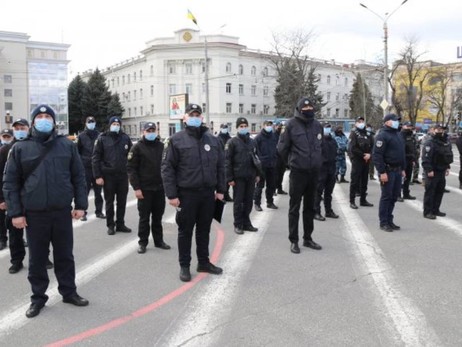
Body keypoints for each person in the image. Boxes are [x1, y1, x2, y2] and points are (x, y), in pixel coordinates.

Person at [3, 104, 89, 318]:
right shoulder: (20, 148)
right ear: (33, 122)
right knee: (37, 259)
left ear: (53, 121)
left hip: (61, 212)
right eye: (39, 116)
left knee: (65, 256)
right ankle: (38, 298)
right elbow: (10, 182)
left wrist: (80, 205)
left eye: (47, 116)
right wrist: (16, 213)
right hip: (34, 214)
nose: (44, 119)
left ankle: (69, 292)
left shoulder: (66, 146)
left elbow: (78, 176)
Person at [161, 103, 225, 282]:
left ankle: (203, 262)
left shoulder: (212, 140)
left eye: (198, 114)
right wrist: (171, 195)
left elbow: (221, 166)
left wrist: (221, 190)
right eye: (192, 114)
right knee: (185, 231)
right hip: (186, 195)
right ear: (185, 118)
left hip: (207, 194)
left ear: (202, 118)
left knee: (204, 230)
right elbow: (167, 168)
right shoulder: (176, 140)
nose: (195, 117)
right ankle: (184, 266)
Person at [278, 97, 323, 254]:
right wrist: (291, 164)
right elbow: (282, 148)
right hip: (298, 172)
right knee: (294, 207)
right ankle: (294, 240)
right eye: (305, 108)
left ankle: (308, 238)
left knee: (310, 207)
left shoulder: (317, 125)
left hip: (313, 172)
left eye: (310, 107)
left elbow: (320, 147)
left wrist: (318, 162)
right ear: (299, 109)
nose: (308, 110)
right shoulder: (290, 125)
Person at [127, 122, 170, 254]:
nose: (151, 132)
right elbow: (131, 169)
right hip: (144, 189)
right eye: (148, 130)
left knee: (158, 217)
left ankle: (158, 241)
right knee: (144, 218)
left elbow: (167, 166)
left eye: (153, 130)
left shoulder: (162, 146)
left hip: (159, 188)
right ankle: (143, 242)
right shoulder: (137, 148)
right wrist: (136, 188)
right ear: (143, 132)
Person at [92, 116, 133, 235]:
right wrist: (98, 176)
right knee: (109, 202)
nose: (116, 126)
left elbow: (131, 156)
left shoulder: (125, 138)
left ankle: (120, 223)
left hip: (122, 175)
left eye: (118, 124)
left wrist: (131, 174)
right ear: (110, 125)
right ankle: (110, 225)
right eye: (114, 124)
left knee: (122, 201)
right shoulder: (102, 138)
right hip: (108, 176)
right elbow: (95, 158)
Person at [225, 117, 260, 234]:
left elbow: (256, 159)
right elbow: (227, 161)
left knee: (249, 201)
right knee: (238, 202)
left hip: (250, 177)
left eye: (245, 126)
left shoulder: (252, 142)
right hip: (238, 178)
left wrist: (258, 174)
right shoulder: (232, 142)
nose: (244, 128)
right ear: (237, 128)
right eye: (241, 126)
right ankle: (238, 224)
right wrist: (229, 178)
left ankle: (246, 223)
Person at [372, 114, 406, 232]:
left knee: (394, 196)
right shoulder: (382, 135)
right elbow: (377, 155)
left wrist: (403, 169)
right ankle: (384, 222)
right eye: (394, 120)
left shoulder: (397, 134)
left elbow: (401, 153)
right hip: (388, 171)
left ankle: (389, 219)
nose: (397, 122)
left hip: (397, 170)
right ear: (387, 122)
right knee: (386, 197)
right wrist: (382, 172)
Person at [421, 123, 453, 219]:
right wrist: (429, 170)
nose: (440, 131)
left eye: (441, 129)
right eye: (438, 129)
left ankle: (436, 209)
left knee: (439, 191)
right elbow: (426, 158)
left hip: (441, 170)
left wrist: (447, 167)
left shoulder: (445, 142)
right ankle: (427, 212)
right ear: (433, 130)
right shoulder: (430, 143)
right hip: (433, 171)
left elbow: (446, 156)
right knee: (430, 192)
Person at [77, 116, 105, 221]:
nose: (91, 123)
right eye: (89, 122)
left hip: (97, 168)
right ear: (86, 123)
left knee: (98, 192)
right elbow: (78, 152)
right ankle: (83, 212)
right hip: (86, 168)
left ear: (95, 123)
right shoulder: (82, 136)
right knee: (85, 192)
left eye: (93, 122)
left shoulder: (100, 135)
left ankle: (99, 211)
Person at [314, 123, 339, 221]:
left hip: (331, 168)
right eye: (326, 128)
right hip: (321, 168)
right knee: (318, 191)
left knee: (329, 192)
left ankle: (328, 211)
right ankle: (316, 212)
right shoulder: (318, 140)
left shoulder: (332, 140)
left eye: (329, 127)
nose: (328, 129)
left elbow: (336, 152)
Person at [348, 116, 374, 209]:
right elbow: (353, 148)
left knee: (364, 181)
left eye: (362, 121)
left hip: (366, 161)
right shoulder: (354, 133)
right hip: (358, 160)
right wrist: (363, 155)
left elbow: (373, 146)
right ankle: (352, 201)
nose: (361, 122)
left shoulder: (368, 133)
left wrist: (370, 154)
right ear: (356, 123)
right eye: (359, 121)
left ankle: (363, 200)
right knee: (354, 181)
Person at [253, 120, 278, 211]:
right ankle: (257, 203)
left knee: (271, 185)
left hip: (272, 164)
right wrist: (259, 161)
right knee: (260, 185)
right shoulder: (258, 138)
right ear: (263, 126)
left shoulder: (273, 136)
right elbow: (254, 152)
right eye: (267, 125)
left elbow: (276, 148)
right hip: (262, 165)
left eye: (270, 125)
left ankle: (270, 202)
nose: (269, 126)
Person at [0, 129, 13, 251]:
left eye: (8, 136)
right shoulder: (2, 150)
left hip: (13, 189)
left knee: (14, 216)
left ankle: (18, 238)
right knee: (1, 216)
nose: (6, 138)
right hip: (2, 190)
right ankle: (2, 239)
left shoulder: (14, 149)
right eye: (4, 136)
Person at [400, 121, 418, 200]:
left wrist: (414, 159)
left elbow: (413, 148)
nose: (409, 128)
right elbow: (400, 149)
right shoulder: (401, 135)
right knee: (401, 178)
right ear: (403, 126)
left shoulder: (411, 136)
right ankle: (397, 194)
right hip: (403, 159)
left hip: (410, 159)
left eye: (410, 126)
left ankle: (406, 193)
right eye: (407, 126)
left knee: (408, 178)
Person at [216, 123, 233, 202]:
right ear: (220, 128)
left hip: (228, 161)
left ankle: (226, 195)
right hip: (220, 160)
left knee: (227, 180)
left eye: (226, 127)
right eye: (223, 127)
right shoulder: (218, 138)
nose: (224, 129)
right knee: (221, 179)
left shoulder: (230, 138)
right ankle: (221, 195)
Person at [274, 120, 288, 194]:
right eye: (279, 126)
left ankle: (279, 188)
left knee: (281, 175)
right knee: (275, 175)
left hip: (283, 158)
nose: (281, 128)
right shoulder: (273, 135)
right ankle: (273, 190)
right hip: (276, 158)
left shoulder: (284, 135)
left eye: (282, 127)